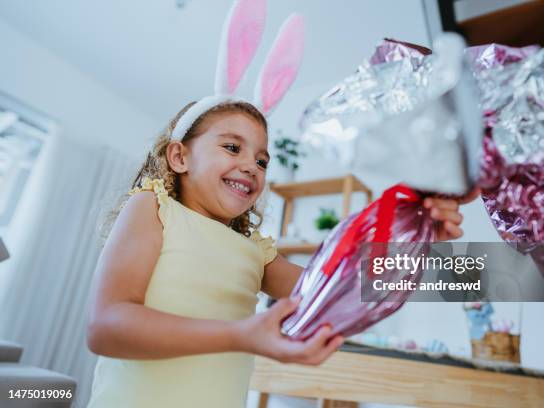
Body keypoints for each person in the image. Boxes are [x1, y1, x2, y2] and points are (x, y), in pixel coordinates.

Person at [86, 1, 477, 407]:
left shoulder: (255, 251)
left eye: (261, 160)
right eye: (231, 147)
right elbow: (106, 327)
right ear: (179, 157)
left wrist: (415, 228)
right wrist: (241, 335)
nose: (250, 167)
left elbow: (345, 289)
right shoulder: (153, 209)